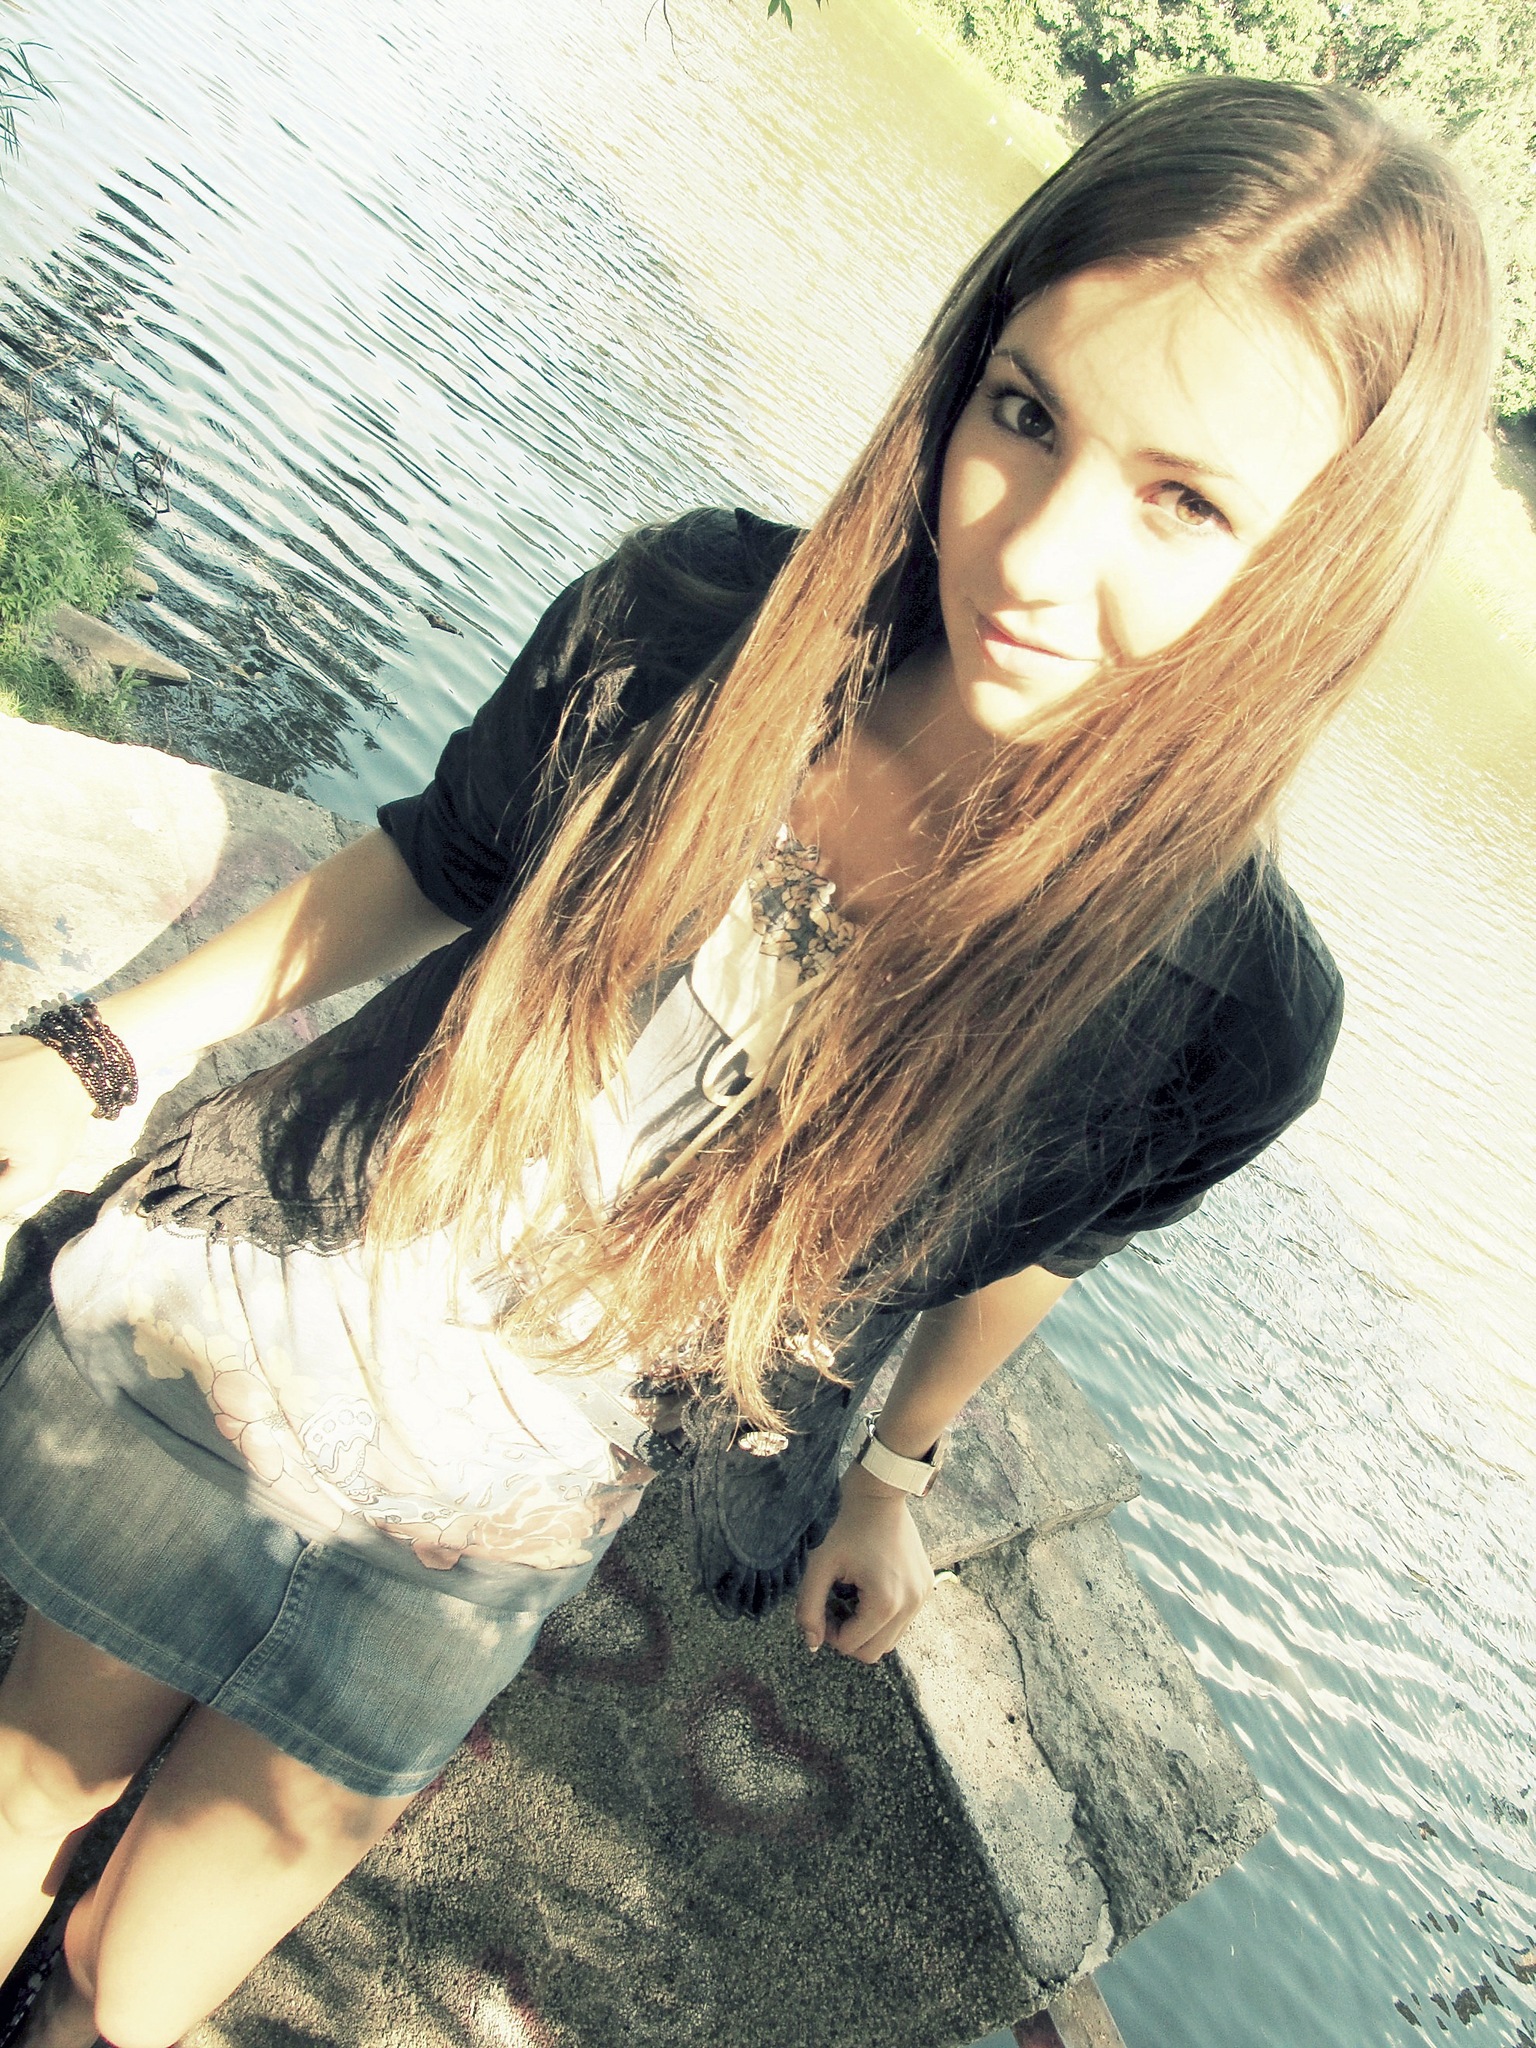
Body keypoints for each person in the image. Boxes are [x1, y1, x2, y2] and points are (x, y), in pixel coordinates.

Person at [0, 72, 1493, 2048]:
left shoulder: (1219, 1013)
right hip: (251, 1317)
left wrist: (894, 1475)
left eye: (1184, 501)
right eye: (1026, 413)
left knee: (130, 1984)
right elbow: (436, 862)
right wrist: (96, 1045)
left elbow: (1039, 1243)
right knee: (22, 1805)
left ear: (1319, 566)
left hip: (496, 1515)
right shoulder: (703, 618)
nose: (1032, 555)